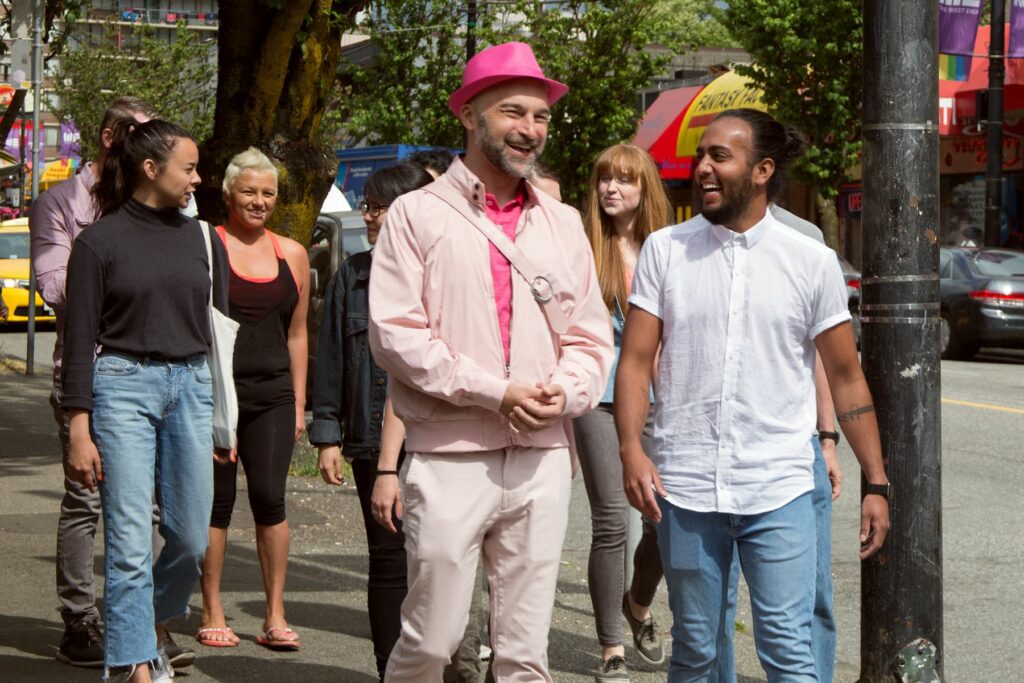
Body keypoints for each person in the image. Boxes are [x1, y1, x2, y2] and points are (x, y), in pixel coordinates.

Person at [367, 41, 614, 682]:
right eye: (512, 111)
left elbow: (590, 339)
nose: (529, 129)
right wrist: (495, 391)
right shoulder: (415, 215)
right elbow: (396, 336)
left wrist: (565, 391)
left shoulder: (563, 223)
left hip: (542, 456)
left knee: (527, 655)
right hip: (448, 457)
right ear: (468, 114)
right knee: (431, 641)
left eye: (540, 116)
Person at [615, 108, 890, 681]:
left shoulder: (811, 261)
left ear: (762, 169)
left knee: (789, 651)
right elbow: (636, 361)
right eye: (701, 156)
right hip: (687, 488)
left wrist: (876, 481)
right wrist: (631, 451)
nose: (704, 168)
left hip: (780, 487)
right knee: (697, 649)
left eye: (721, 156)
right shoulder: (666, 251)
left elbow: (845, 376)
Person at [61, 118, 228, 683]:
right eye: (189, 168)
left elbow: (219, 332)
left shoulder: (202, 237)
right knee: (130, 541)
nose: (198, 179)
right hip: (122, 388)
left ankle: (143, 624)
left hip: (192, 388)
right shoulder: (98, 242)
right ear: (150, 169)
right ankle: (134, 665)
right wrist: (78, 429)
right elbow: (79, 341)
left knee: (189, 536)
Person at [30, 96, 194, 671]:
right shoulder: (62, 203)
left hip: (164, 374)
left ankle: (143, 624)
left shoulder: (160, 210)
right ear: (110, 138)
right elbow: (54, 283)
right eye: (141, 137)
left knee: (159, 517)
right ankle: (82, 621)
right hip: (88, 368)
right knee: (86, 500)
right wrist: (113, 271)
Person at [309, 162, 436, 678]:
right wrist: (327, 435)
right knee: (387, 558)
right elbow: (332, 357)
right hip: (368, 437)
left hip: (436, 440)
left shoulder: (443, 273)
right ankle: (391, 669)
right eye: (367, 205)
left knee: (435, 558)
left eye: (377, 206)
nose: (368, 215)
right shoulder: (354, 275)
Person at [714, 202, 843, 683]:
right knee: (716, 598)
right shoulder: (692, 240)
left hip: (795, 446)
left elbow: (822, 356)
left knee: (812, 591)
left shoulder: (803, 236)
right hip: (715, 450)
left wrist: (826, 438)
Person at [197, 147, 310, 651]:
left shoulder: (294, 254)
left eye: (268, 193)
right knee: (215, 503)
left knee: (270, 498)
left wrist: (300, 403)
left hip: (272, 396)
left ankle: (274, 614)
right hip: (214, 396)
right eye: (250, 192)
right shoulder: (206, 245)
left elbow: (299, 334)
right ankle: (213, 608)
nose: (260, 201)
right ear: (228, 195)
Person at [577, 143, 669, 681]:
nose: (612, 189)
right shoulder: (584, 248)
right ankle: (611, 647)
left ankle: (637, 604)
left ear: (644, 189)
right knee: (612, 520)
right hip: (597, 397)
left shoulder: (668, 249)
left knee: (664, 518)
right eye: (605, 180)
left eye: (625, 181)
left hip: (660, 399)